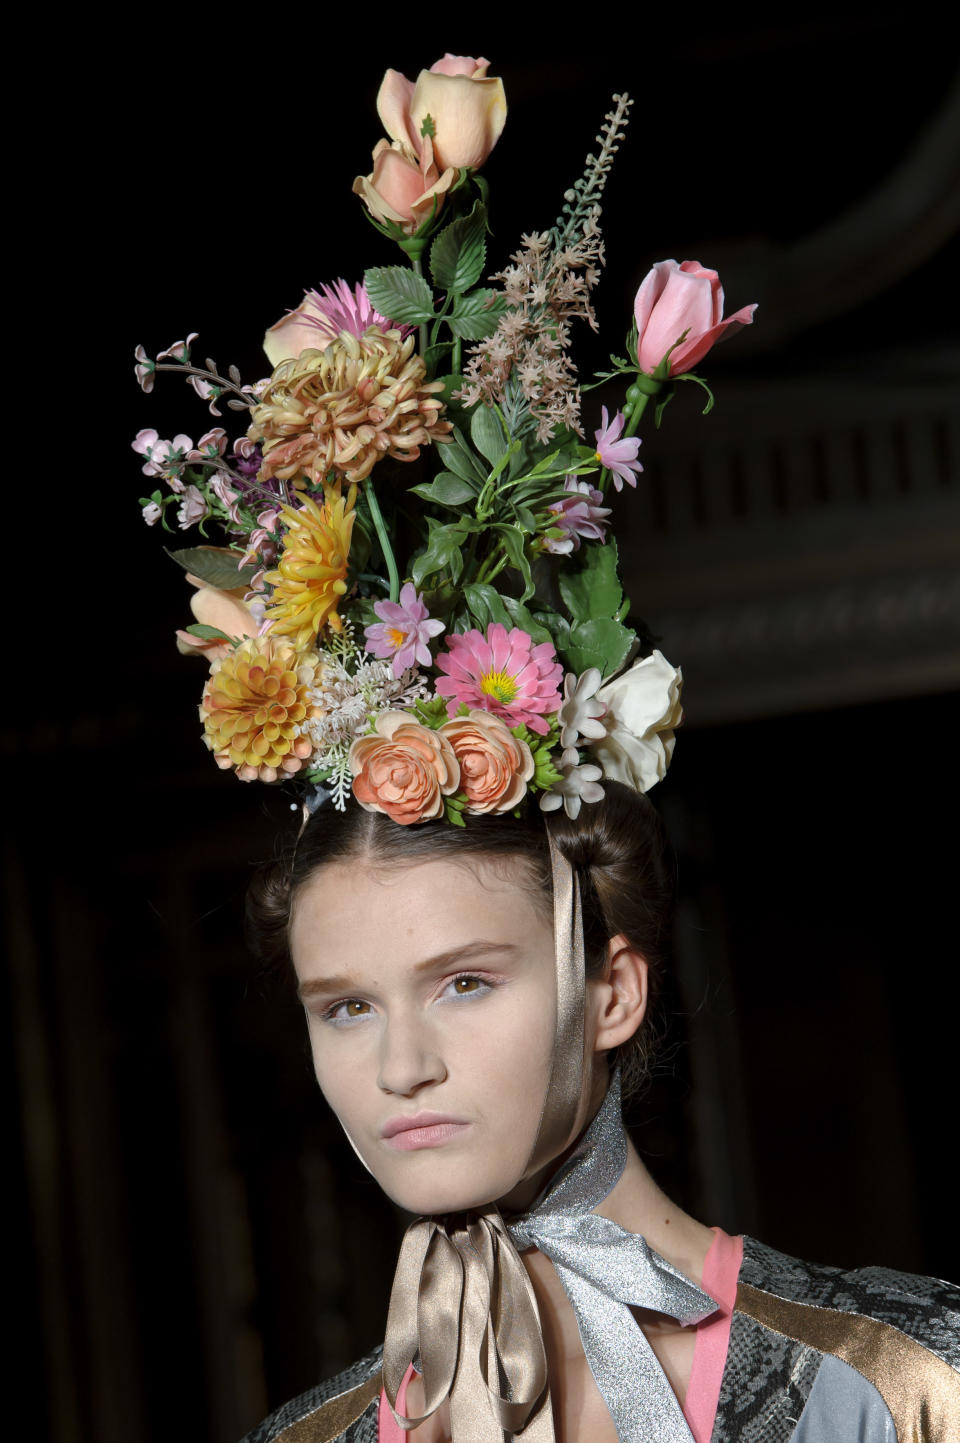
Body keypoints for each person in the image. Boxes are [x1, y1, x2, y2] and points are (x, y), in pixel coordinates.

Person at [239, 784, 960, 1443]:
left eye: (464, 982)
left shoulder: (899, 1385)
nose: (401, 1068)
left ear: (612, 993)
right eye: (348, 1007)